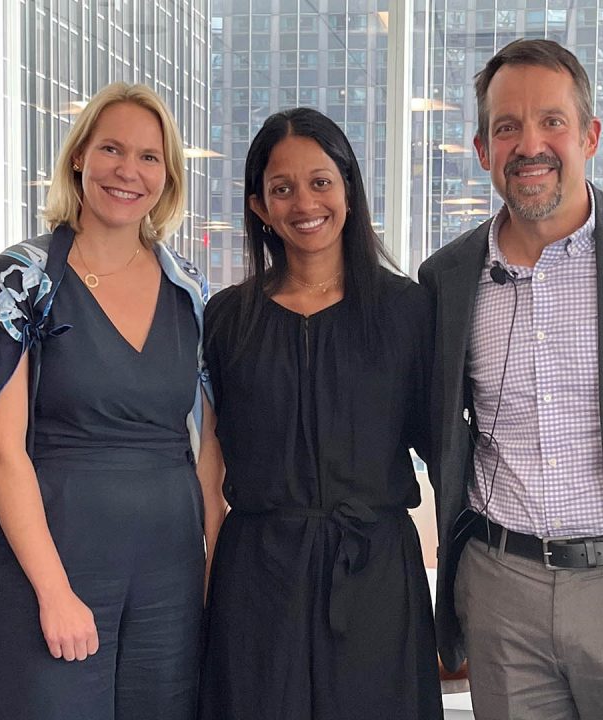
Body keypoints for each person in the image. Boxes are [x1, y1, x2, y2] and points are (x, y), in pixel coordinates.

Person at [417, 38, 603, 719]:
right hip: (500, 589)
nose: (529, 144)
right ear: (483, 150)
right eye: (506, 127)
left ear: (591, 136)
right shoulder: (446, 277)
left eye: (552, 122)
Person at [0, 82, 222, 720]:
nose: (128, 171)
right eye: (111, 149)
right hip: (53, 566)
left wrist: (208, 581)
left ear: (169, 175)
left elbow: (211, 454)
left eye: (149, 157)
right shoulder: (21, 278)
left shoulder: (191, 291)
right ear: (79, 157)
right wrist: (53, 591)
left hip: (170, 579)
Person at [198, 107, 441, 720]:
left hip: (376, 574)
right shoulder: (228, 318)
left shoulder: (406, 311)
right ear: (260, 207)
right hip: (257, 577)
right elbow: (205, 456)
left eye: (320, 181)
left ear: (349, 191)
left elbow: (444, 450)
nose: (304, 202)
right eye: (282, 188)